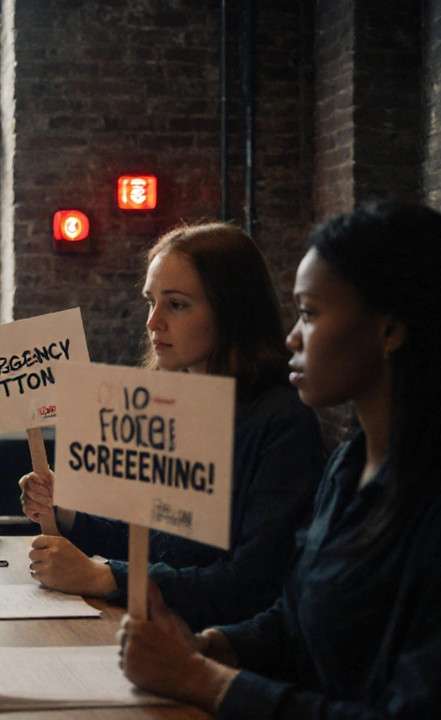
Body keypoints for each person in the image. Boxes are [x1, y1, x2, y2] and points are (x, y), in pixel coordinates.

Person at [119, 202, 441, 718]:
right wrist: (210, 647)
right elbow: (295, 618)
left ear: (389, 329)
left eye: (310, 314)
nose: (292, 336)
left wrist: (202, 678)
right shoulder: (347, 467)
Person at [20, 223, 326, 629]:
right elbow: (155, 542)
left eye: (177, 305)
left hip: (217, 653)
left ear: (232, 312)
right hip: (154, 631)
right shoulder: (175, 402)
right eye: (151, 301)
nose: (152, 322)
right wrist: (68, 513)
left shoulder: (284, 423)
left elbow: (251, 583)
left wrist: (103, 576)